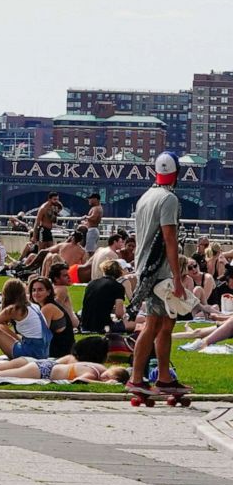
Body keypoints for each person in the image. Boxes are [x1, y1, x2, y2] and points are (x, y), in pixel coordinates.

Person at [126, 152, 190, 396]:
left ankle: (164, 377)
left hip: (145, 268)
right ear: (177, 175)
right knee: (153, 324)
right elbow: (169, 239)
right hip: (159, 272)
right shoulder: (169, 199)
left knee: (166, 323)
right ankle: (137, 379)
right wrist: (176, 277)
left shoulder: (146, 197)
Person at [81, 260, 134, 333]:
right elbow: (119, 314)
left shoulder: (91, 283)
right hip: (103, 326)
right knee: (137, 324)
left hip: (85, 325)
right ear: (119, 272)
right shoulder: (117, 286)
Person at [29, 276, 74, 358]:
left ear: (49, 292)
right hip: (61, 351)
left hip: (57, 353)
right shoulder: (48, 306)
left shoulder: (48, 308)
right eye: (33, 290)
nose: (36, 293)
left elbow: (39, 335)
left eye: (40, 290)